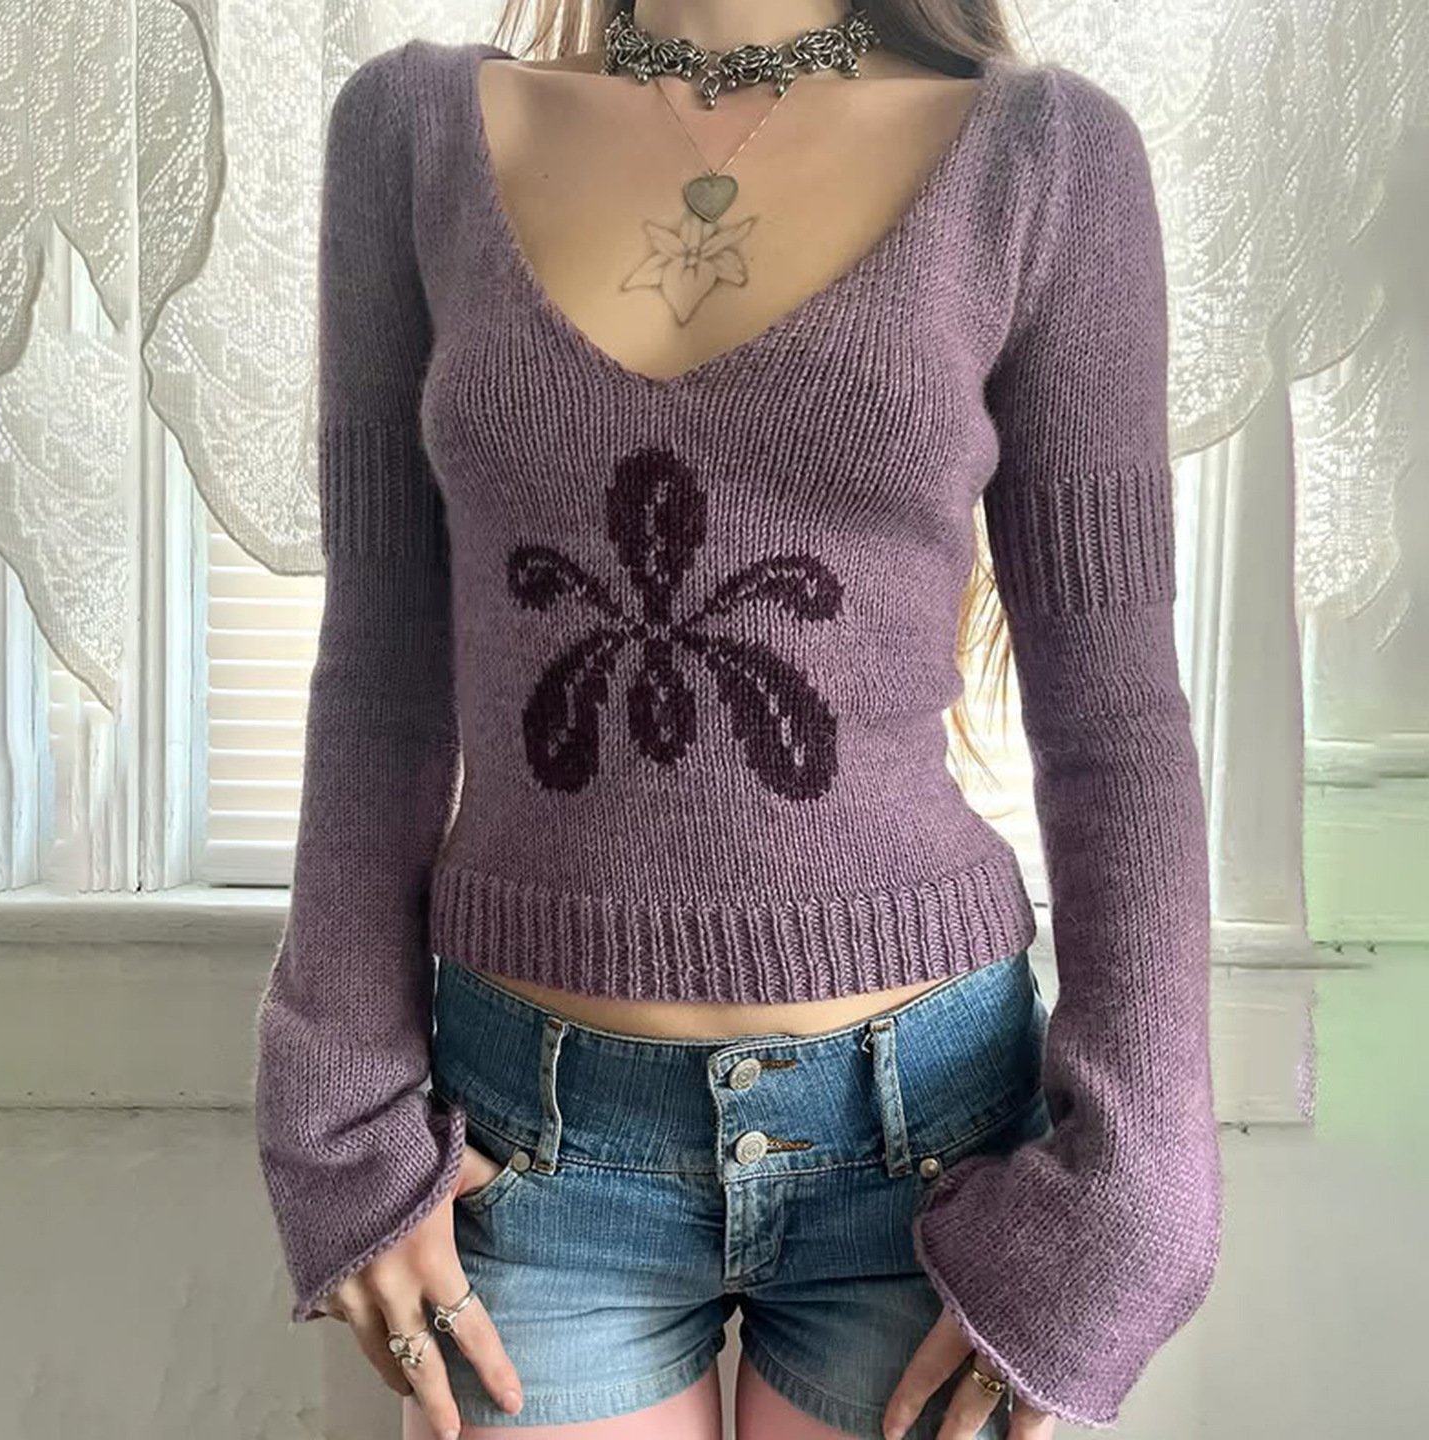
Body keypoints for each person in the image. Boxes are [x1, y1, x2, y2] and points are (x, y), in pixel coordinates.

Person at [252, 3, 1223, 1438]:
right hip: (526, 1148)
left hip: (928, 1141)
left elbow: (1115, 718)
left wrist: (1138, 1187)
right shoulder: (409, 141)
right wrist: (339, 1114)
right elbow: (380, 681)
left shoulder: (1045, 161)